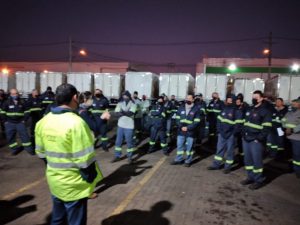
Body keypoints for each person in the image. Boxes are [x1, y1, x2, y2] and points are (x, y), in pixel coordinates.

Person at [35, 84, 103, 225]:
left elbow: (41, 154)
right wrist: (90, 178)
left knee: (58, 219)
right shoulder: (76, 123)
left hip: (54, 181)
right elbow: (85, 160)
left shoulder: (43, 122)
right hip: (74, 184)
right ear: (74, 97)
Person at [240, 90, 272, 190]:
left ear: (261, 98)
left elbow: (266, 128)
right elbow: (245, 123)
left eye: (256, 97)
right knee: (248, 160)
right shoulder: (250, 109)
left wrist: (258, 139)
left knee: (257, 161)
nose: (254, 99)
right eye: (253, 97)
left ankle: (259, 180)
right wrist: (243, 134)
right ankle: (250, 177)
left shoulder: (265, 111)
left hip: (255, 141)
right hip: (246, 139)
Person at [207, 95, 242, 174]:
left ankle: (227, 167)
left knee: (230, 151)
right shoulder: (224, 109)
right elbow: (219, 121)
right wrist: (219, 131)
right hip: (222, 134)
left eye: (230, 100)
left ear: (233, 101)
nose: (228, 102)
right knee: (219, 149)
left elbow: (238, 125)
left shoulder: (237, 111)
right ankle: (216, 165)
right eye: (227, 100)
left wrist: (232, 134)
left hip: (231, 135)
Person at [0, 88, 34, 155]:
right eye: (13, 94)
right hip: (9, 123)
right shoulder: (6, 102)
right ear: (10, 94)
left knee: (25, 136)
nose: (14, 95)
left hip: (20, 122)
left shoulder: (22, 101)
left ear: (18, 94)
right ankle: (14, 149)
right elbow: (2, 112)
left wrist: (24, 120)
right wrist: (5, 121)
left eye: (15, 93)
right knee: (10, 137)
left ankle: (29, 150)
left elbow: (27, 110)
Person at [171, 94, 200, 167]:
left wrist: (188, 128)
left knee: (189, 147)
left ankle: (188, 161)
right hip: (181, 131)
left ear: (193, 100)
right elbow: (177, 118)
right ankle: (178, 159)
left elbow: (197, 121)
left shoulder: (196, 109)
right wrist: (181, 127)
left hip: (190, 132)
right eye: (187, 98)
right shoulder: (181, 107)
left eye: (190, 98)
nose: (188, 99)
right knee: (179, 146)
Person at [112, 91, 137, 164]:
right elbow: (116, 113)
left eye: (126, 96)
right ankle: (117, 155)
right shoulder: (120, 103)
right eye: (123, 96)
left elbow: (131, 113)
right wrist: (124, 112)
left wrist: (122, 112)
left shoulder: (133, 104)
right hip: (121, 125)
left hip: (129, 126)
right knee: (118, 142)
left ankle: (130, 157)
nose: (124, 97)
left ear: (129, 96)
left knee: (129, 142)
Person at [282, 99, 300, 178]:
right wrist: (285, 127)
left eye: (295, 104)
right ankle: (292, 168)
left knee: (297, 155)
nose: (293, 106)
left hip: (297, 138)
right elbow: (283, 120)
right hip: (288, 136)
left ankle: (298, 170)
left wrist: (292, 129)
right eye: (292, 104)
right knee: (289, 154)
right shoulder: (289, 113)